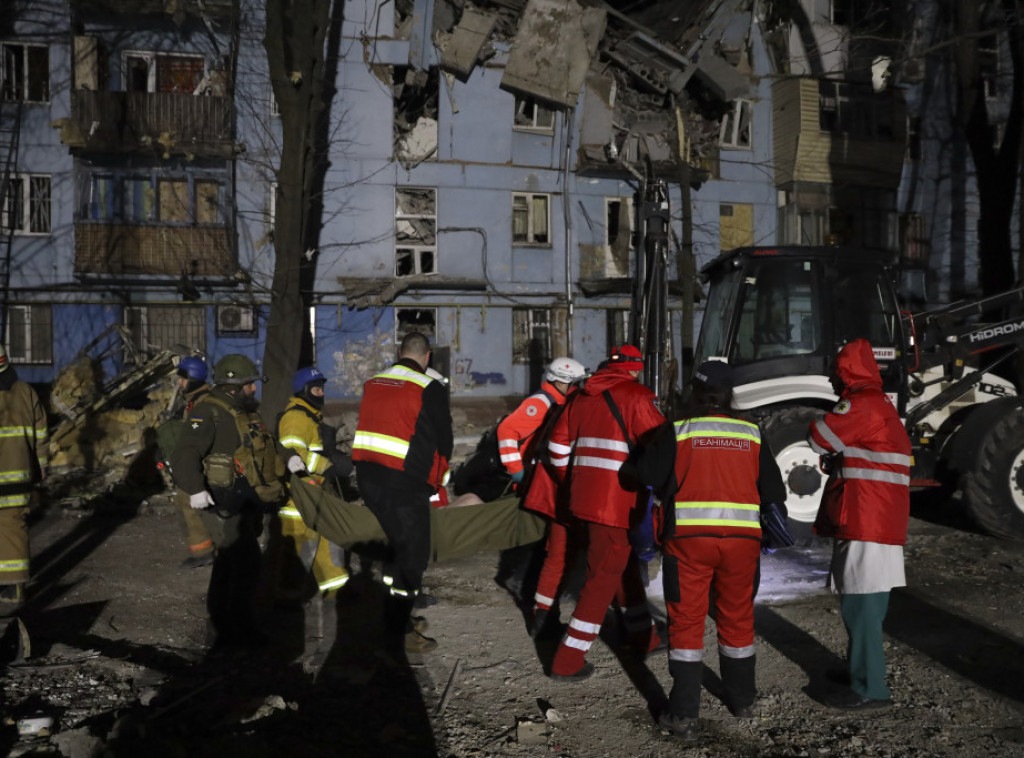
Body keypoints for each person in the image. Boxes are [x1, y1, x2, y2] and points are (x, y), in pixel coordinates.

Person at [634, 360, 786, 742]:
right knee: (737, 619)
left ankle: (684, 714)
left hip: (688, 542)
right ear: (730, 394)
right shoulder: (752, 432)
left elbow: (644, 475)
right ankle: (743, 700)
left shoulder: (679, 430)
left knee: (686, 622)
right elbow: (773, 491)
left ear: (695, 391)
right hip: (742, 542)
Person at [546, 344, 665, 680]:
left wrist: (572, 481)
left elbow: (557, 446)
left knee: (621, 566)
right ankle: (567, 660)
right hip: (618, 504)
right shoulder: (639, 396)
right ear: (635, 368)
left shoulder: (581, 397)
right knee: (601, 579)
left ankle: (644, 637)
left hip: (583, 499)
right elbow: (661, 446)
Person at [808, 338, 912, 710]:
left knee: (861, 603)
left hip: (865, 516)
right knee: (866, 599)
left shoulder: (861, 404)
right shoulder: (878, 403)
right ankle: (860, 671)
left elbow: (818, 437)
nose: (832, 382)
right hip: (876, 516)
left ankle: (870, 688)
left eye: (835, 374)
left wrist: (821, 422)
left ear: (846, 373)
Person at [169, 354, 286, 653]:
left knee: (231, 564)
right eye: (249, 384)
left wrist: (289, 459)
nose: (254, 389)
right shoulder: (209, 411)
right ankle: (233, 630)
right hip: (224, 504)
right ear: (234, 386)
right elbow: (184, 453)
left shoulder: (244, 412)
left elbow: (266, 446)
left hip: (246, 502)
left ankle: (226, 629)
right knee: (244, 565)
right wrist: (195, 489)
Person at [352, 332, 453, 655]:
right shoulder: (429, 387)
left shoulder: (374, 383)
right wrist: (437, 484)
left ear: (399, 352)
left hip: (369, 479)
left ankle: (395, 618)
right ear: (427, 357)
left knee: (395, 551)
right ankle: (398, 631)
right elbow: (445, 442)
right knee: (412, 558)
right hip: (405, 486)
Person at [500, 357, 588, 636]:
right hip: (534, 479)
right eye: (575, 383)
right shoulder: (540, 403)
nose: (577, 387)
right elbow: (506, 431)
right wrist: (516, 471)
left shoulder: (558, 401)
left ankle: (535, 598)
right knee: (542, 546)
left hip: (541, 479)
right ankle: (532, 597)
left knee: (544, 545)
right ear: (562, 381)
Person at [276, 366, 353, 659]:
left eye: (322, 388)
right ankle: (286, 644)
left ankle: (335, 641)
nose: (321, 394)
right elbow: (293, 455)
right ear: (303, 390)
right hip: (299, 512)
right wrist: (328, 466)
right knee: (295, 580)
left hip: (319, 505)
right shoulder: (296, 417)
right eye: (316, 389)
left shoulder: (311, 416)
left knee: (334, 573)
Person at [0, 345, 48, 617]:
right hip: (19, 476)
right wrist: (42, 465)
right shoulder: (25, 392)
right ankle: (15, 588)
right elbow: (41, 432)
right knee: (14, 527)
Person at [159, 356, 215, 569]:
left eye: (182, 379)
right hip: (195, 459)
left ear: (191, 379)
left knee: (187, 499)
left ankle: (205, 552)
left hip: (201, 461)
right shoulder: (195, 399)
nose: (179, 383)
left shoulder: (203, 402)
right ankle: (207, 548)